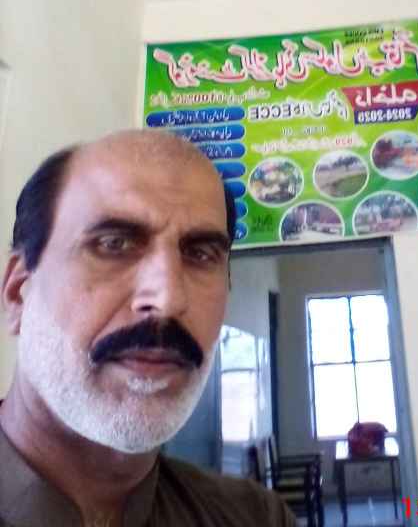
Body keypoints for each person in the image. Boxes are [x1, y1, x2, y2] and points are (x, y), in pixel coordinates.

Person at [0, 130, 295, 527]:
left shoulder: (256, 518)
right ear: (18, 293)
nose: (169, 299)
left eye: (201, 253)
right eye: (113, 244)